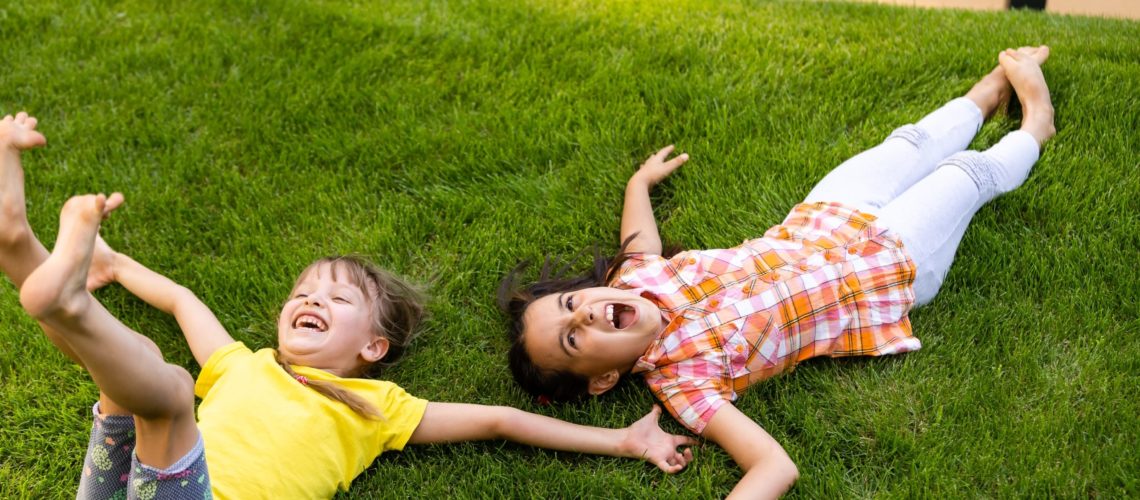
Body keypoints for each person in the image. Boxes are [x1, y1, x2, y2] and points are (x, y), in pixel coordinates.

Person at [0, 115, 696, 499]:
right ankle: (18, 241)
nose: (310, 299)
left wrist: (624, 440)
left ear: (374, 350)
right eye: (304, 293)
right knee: (145, 381)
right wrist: (119, 267)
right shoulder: (242, 365)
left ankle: (58, 294)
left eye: (336, 298)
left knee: (167, 392)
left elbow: (500, 420)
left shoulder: (378, 409)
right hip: (134, 489)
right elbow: (183, 300)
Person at [499, 47, 1056, 498]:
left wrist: (638, 184)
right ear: (602, 380)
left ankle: (985, 95)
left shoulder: (637, 280)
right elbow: (772, 467)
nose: (590, 313)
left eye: (573, 304)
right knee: (963, 174)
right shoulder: (685, 388)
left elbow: (637, 240)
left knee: (910, 143)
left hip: (823, 217)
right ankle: (1035, 124)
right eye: (575, 339)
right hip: (884, 273)